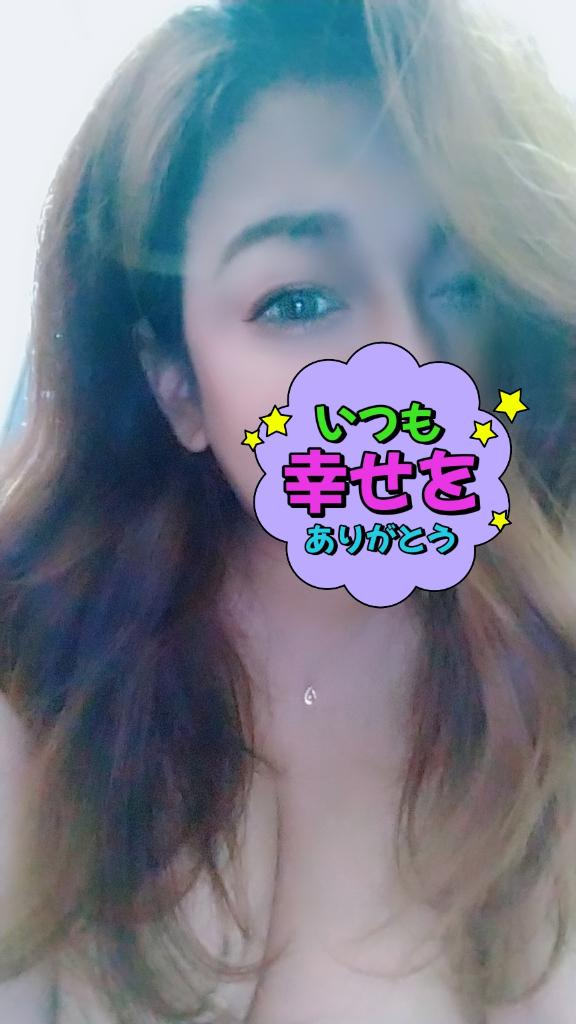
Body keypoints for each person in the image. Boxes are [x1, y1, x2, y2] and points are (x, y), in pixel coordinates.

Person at [0, 0, 575, 1020]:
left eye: (460, 286)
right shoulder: (41, 688)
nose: (410, 366)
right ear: (177, 385)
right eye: (301, 301)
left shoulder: (551, 678)